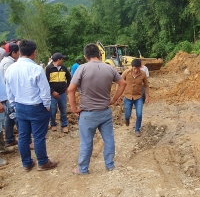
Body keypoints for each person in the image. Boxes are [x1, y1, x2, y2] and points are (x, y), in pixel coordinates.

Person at [67, 43, 126, 175]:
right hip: (105, 111)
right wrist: (114, 99)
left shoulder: (82, 68)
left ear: (85, 56)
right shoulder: (109, 68)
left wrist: (74, 108)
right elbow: (122, 83)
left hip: (87, 113)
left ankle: (83, 169)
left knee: (86, 142)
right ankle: (110, 165)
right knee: (109, 139)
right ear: (99, 55)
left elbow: (71, 89)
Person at [5, 39, 58, 172]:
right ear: (34, 53)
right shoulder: (36, 69)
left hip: (20, 106)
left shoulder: (11, 68)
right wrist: (47, 105)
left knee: (23, 136)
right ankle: (43, 162)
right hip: (36, 107)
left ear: (20, 51)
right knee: (38, 136)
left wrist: (13, 104)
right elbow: (44, 91)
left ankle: (27, 163)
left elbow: (9, 90)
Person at [0, 42, 20, 147]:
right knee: (17, 117)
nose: (19, 54)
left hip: (7, 94)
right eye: (18, 52)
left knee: (9, 118)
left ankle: (9, 139)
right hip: (10, 95)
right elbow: (10, 79)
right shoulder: (9, 63)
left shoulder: (6, 60)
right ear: (13, 52)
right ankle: (26, 141)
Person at [121, 59, 150, 136]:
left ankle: (137, 129)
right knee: (127, 115)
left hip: (138, 97)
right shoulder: (126, 73)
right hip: (127, 97)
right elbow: (120, 83)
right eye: (134, 68)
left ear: (140, 67)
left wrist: (147, 97)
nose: (136, 70)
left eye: (138, 68)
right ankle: (127, 119)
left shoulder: (143, 74)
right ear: (132, 67)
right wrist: (118, 95)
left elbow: (146, 86)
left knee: (139, 114)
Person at [45, 53, 71, 133]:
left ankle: (64, 125)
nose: (63, 60)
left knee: (63, 109)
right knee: (52, 110)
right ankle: (53, 124)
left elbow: (69, 77)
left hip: (62, 93)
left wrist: (67, 86)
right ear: (58, 60)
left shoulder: (64, 68)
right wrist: (52, 92)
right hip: (53, 94)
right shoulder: (49, 68)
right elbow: (46, 82)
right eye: (62, 59)